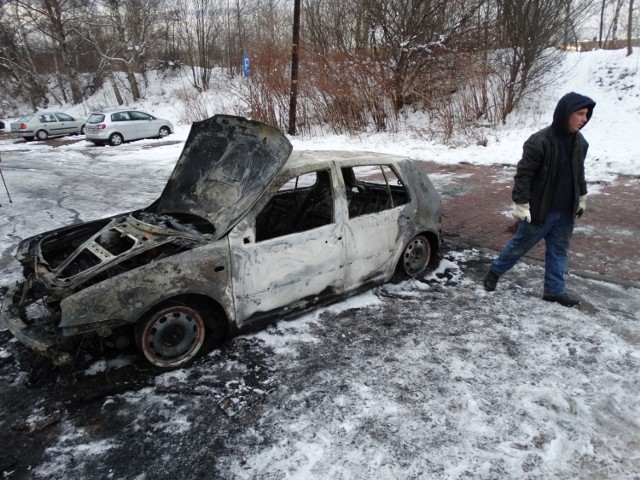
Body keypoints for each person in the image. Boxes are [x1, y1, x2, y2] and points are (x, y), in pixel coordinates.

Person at [483, 92, 596, 307]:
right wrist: (521, 203)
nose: (584, 119)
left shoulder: (580, 143)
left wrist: (581, 196)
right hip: (540, 211)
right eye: (580, 113)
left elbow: (578, 173)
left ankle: (554, 291)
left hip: (565, 212)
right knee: (518, 246)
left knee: (559, 251)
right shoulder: (539, 142)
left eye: (587, 114)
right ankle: (494, 272)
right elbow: (524, 175)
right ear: (565, 113)